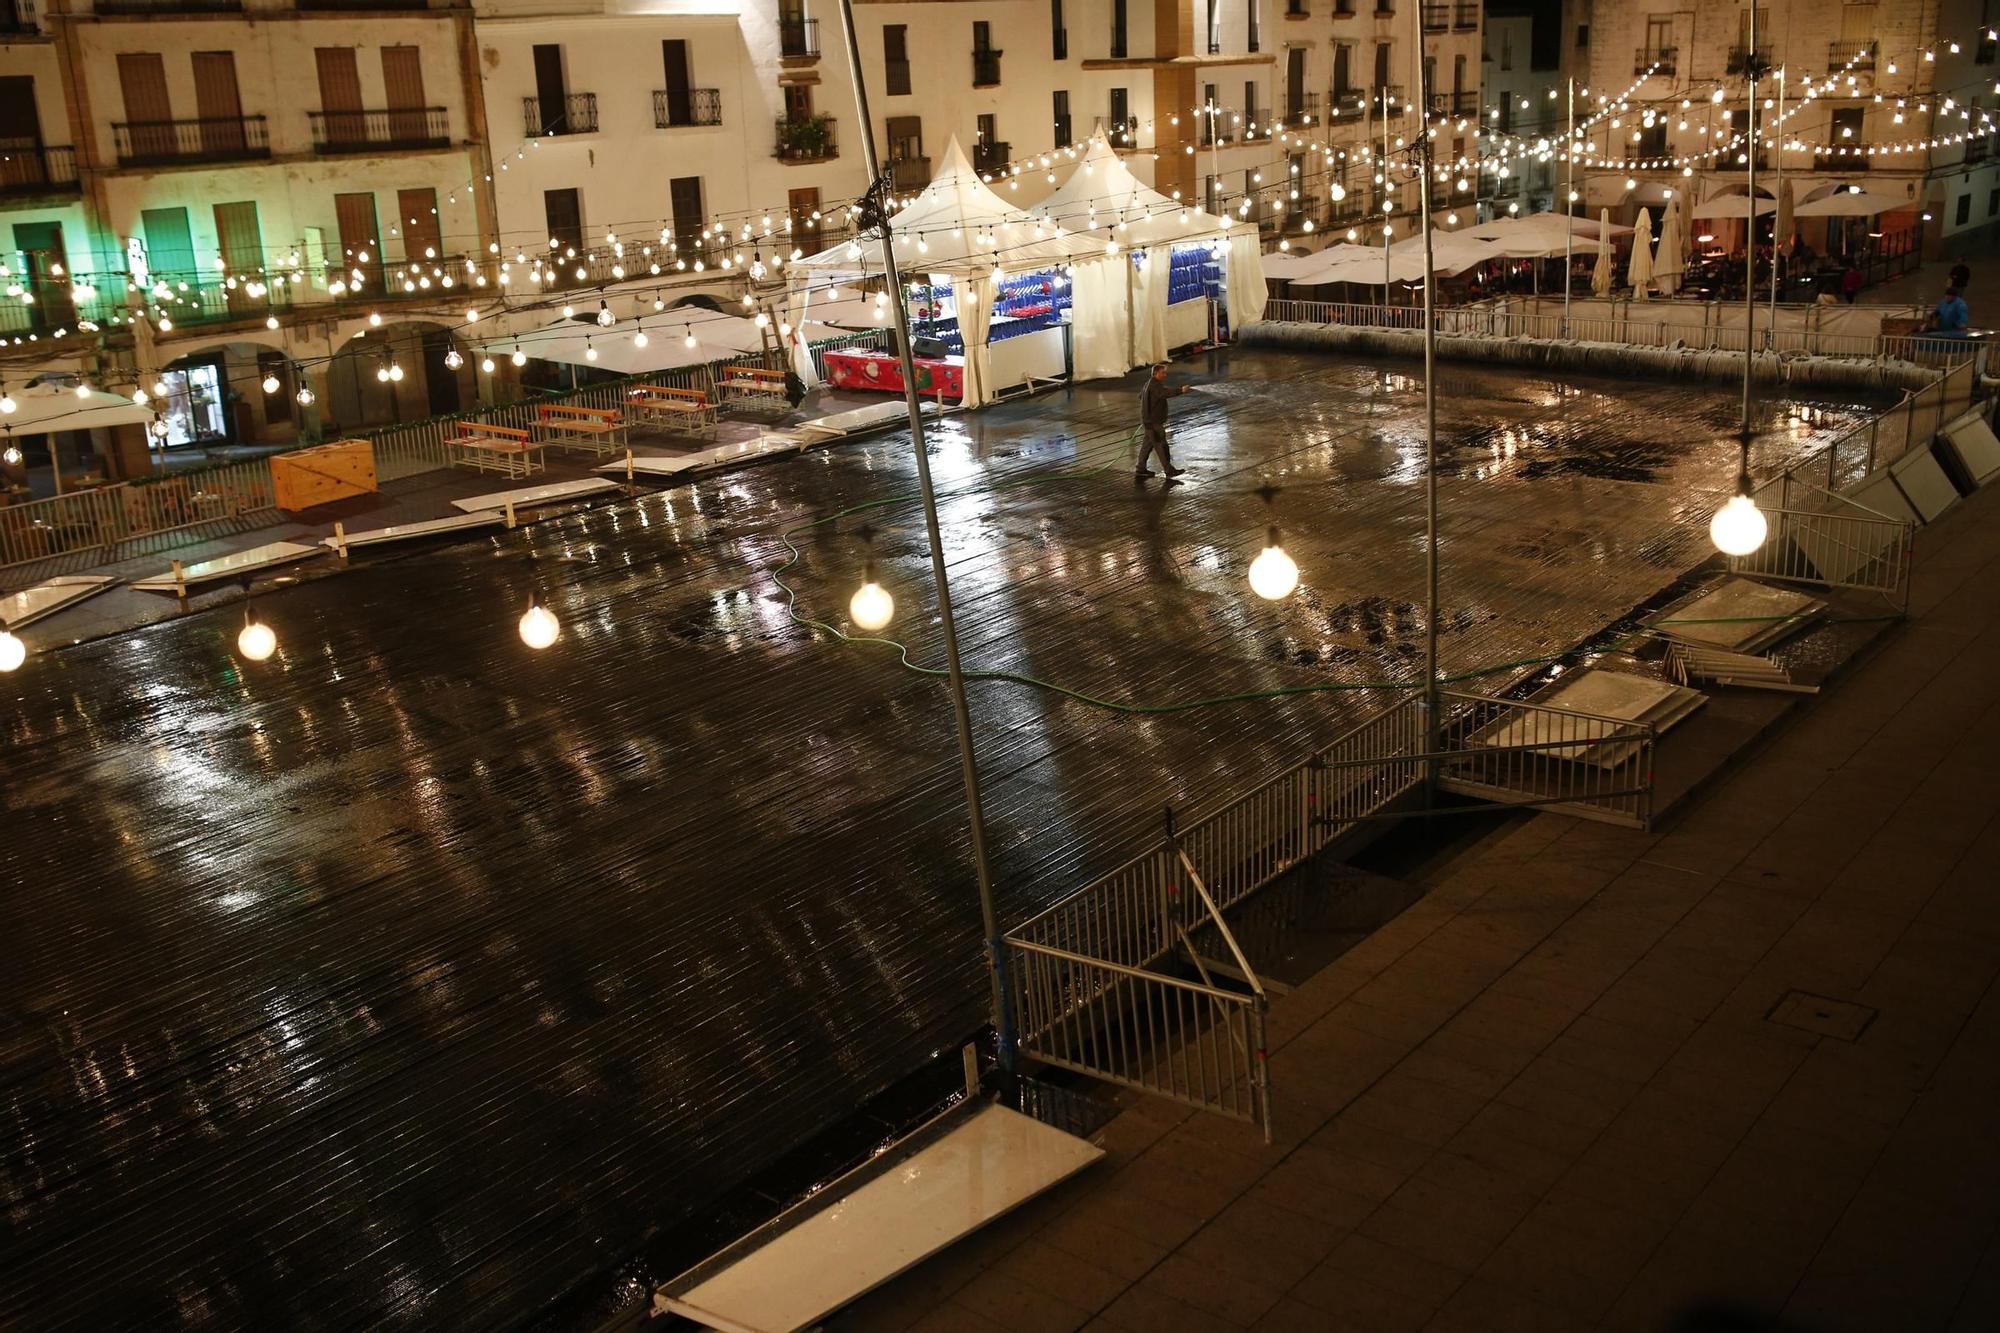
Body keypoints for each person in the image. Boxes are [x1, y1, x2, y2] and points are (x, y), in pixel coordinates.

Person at [1135, 363, 1186, 480]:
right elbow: (1164, 393)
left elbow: (1140, 396)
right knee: (1161, 446)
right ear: (1155, 373)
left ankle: (1140, 469)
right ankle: (1169, 470)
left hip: (1148, 422)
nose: (1165, 375)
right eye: (1163, 373)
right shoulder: (1154, 386)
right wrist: (1181, 390)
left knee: (1147, 446)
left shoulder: (1148, 384)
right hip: (1153, 423)